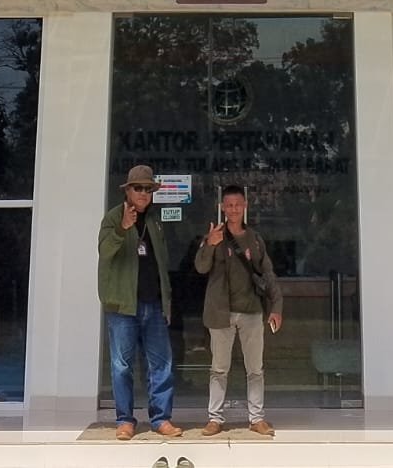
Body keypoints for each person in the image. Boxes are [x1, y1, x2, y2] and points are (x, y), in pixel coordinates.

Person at [97, 164, 184, 440]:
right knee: (122, 366)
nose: (144, 193)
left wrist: (166, 301)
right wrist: (122, 229)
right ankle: (125, 420)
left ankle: (161, 419)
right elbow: (104, 251)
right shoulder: (113, 217)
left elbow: (162, 264)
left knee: (161, 364)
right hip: (123, 305)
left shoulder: (155, 221)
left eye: (148, 188)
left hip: (154, 305)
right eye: (138, 188)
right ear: (128, 191)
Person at [194, 184, 283, 437]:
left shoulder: (254, 239)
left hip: (251, 311)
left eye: (237, 205)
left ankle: (257, 418)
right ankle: (215, 418)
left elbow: (268, 273)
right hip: (220, 312)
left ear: (245, 207)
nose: (233, 209)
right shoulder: (214, 236)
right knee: (219, 369)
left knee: (255, 369)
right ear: (222, 208)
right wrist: (210, 244)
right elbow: (200, 267)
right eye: (229, 205)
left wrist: (276, 306)